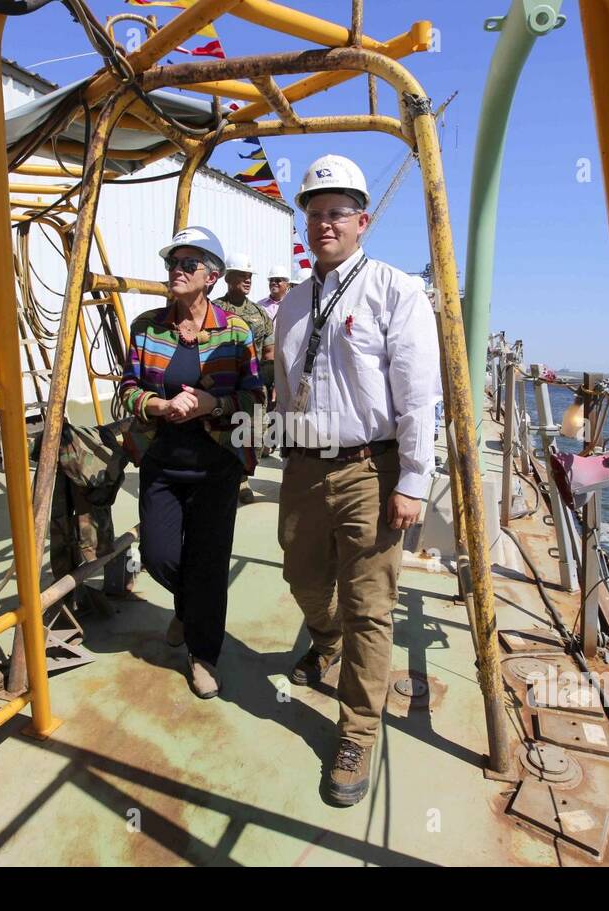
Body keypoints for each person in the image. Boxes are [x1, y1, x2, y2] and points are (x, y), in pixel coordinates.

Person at [275, 155, 441, 806]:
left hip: (373, 469)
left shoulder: (395, 290)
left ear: (362, 221)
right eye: (314, 213)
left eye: (337, 212)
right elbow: (289, 386)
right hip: (305, 466)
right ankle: (325, 640)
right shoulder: (289, 301)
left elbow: (417, 395)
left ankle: (357, 733)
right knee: (303, 576)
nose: (324, 223)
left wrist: (414, 480)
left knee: (371, 607)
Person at [117, 226, 265, 699]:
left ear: (212, 276)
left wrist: (211, 405)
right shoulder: (147, 326)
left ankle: (204, 655)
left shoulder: (236, 329)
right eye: (172, 264)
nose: (176, 272)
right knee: (160, 555)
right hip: (162, 459)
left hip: (217, 465)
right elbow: (127, 387)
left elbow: (255, 396)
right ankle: (188, 607)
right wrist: (157, 407)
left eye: (187, 265)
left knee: (209, 563)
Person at [214, 252, 274, 502]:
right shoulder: (214, 309)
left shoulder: (260, 313)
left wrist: (271, 384)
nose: (247, 280)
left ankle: (242, 474)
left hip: (253, 384)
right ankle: (234, 481)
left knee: (256, 436)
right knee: (222, 432)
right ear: (228, 278)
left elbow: (269, 352)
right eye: (242, 275)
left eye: (249, 276)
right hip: (221, 385)